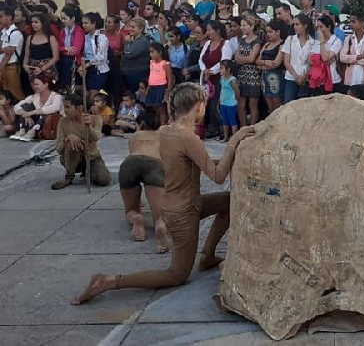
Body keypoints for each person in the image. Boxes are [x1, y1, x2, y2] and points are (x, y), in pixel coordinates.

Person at [71, 83, 255, 305]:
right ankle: (109, 281)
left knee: (227, 201)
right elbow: (217, 176)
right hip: (183, 212)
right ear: (199, 106)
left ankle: (207, 255)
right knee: (177, 274)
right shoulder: (189, 138)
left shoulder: (167, 131)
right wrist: (234, 142)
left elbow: (193, 163)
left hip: (179, 205)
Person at [118, 109, 170, 251]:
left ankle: (136, 218)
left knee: (131, 209)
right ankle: (160, 225)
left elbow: (133, 154)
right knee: (160, 215)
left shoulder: (135, 136)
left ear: (141, 123)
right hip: (155, 164)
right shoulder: (163, 136)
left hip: (130, 164)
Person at [51, 93, 111, 190]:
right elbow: (58, 148)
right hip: (71, 158)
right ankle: (69, 177)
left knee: (104, 180)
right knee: (72, 143)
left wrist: (89, 126)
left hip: (91, 157)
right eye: (64, 107)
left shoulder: (96, 119)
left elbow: (96, 137)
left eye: (68, 107)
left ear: (79, 108)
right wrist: (68, 138)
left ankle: (88, 171)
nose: (65, 110)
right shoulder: (63, 121)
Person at [198, 21, 234, 139]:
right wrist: (205, 70)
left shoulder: (226, 44)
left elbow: (224, 60)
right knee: (207, 105)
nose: (207, 33)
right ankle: (212, 128)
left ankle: (223, 129)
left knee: (217, 105)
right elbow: (201, 59)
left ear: (217, 30)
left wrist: (211, 71)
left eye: (209, 30)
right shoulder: (208, 43)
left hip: (219, 79)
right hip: (206, 79)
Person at [10, 75, 63, 142]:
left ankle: (33, 131)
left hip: (53, 125)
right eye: (34, 84)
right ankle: (22, 130)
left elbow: (55, 108)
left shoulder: (57, 96)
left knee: (45, 112)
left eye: (37, 84)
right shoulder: (34, 96)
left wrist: (32, 112)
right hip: (40, 124)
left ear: (46, 84)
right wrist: (26, 114)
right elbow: (16, 107)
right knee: (25, 106)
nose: (35, 87)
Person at [281, 14, 317, 102]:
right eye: (294, 25)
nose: (294, 27)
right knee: (288, 103)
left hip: (306, 78)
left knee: (303, 106)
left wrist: (304, 77)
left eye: (297, 24)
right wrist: (296, 76)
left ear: (305, 26)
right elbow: (286, 62)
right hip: (291, 77)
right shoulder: (290, 39)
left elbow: (311, 63)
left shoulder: (313, 42)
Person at [234, 16, 262, 125]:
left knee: (252, 104)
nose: (242, 27)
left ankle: (251, 128)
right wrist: (245, 60)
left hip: (253, 76)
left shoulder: (257, 41)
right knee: (241, 104)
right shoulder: (242, 40)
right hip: (242, 75)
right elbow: (236, 57)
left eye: (244, 25)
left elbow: (252, 58)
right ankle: (243, 127)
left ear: (252, 26)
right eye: (241, 25)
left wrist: (242, 59)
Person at [257, 19, 287, 114]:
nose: (268, 34)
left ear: (278, 32)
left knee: (277, 105)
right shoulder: (266, 44)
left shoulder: (283, 45)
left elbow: (276, 63)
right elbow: (257, 61)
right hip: (265, 78)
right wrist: (267, 63)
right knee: (269, 105)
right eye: (267, 32)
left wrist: (263, 63)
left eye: (270, 32)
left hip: (277, 78)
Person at [341, 13, 364, 88]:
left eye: (353, 22)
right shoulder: (348, 38)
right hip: (349, 80)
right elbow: (342, 58)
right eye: (350, 21)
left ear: (362, 23)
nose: (350, 24)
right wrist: (358, 57)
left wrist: (351, 60)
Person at [23, 13, 59, 85]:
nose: (33, 24)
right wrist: (25, 65)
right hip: (33, 70)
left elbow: (56, 57)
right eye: (32, 22)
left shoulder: (51, 38)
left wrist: (42, 69)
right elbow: (26, 55)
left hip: (47, 70)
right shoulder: (30, 38)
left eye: (36, 22)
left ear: (43, 23)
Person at [311, 14, 344, 95]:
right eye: (317, 27)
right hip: (318, 80)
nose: (319, 30)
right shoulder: (316, 42)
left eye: (321, 27)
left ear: (328, 27)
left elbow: (325, 58)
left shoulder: (336, 41)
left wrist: (322, 42)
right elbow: (311, 60)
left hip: (333, 80)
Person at [81, 12, 110, 101]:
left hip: (98, 70)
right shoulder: (85, 37)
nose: (83, 25)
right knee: (87, 94)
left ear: (94, 24)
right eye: (83, 23)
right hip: (88, 69)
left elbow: (101, 57)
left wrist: (87, 64)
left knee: (94, 96)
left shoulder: (101, 37)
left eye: (86, 23)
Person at [0, 4, 26, 100]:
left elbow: (8, 54)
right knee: (5, 96)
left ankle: (26, 113)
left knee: (15, 93)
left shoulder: (15, 33)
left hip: (11, 67)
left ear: (9, 17)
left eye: (1, 16)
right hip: (3, 66)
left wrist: (0, 69)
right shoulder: (3, 32)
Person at [56, 6, 85, 91]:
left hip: (75, 60)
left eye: (65, 18)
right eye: (62, 18)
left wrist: (63, 49)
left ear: (73, 18)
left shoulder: (78, 31)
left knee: (67, 62)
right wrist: (66, 48)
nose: (62, 21)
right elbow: (58, 47)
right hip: (64, 59)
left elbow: (76, 50)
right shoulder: (62, 31)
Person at [121, 17, 152, 94]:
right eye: (130, 26)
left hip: (137, 74)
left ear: (141, 29)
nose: (130, 29)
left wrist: (127, 43)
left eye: (133, 27)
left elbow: (129, 53)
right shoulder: (132, 39)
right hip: (128, 73)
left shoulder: (143, 41)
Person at [145, 43, 172, 126]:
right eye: (150, 52)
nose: (151, 54)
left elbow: (169, 78)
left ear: (159, 52)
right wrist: (148, 88)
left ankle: (163, 125)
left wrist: (168, 90)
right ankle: (159, 124)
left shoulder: (165, 64)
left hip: (161, 87)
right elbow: (151, 75)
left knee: (161, 108)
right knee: (155, 107)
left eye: (152, 52)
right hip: (152, 87)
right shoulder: (151, 62)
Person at [103, 14, 125, 106]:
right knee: (105, 88)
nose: (107, 24)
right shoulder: (102, 35)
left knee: (116, 89)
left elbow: (124, 51)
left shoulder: (120, 35)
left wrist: (118, 53)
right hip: (104, 63)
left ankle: (116, 108)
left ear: (116, 25)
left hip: (116, 63)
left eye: (109, 22)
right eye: (106, 22)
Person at [219, 60, 240, 141]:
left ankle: (234, 139)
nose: (220, 70)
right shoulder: (222, 78)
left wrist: (236, 101)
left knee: (232, 121)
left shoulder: (232, 80)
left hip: (231, 104)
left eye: (221, 68)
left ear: (228, 69)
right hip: (223, 103)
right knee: (225, 121)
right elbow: (222, 90)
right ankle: (226, 137)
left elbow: (237, 92)